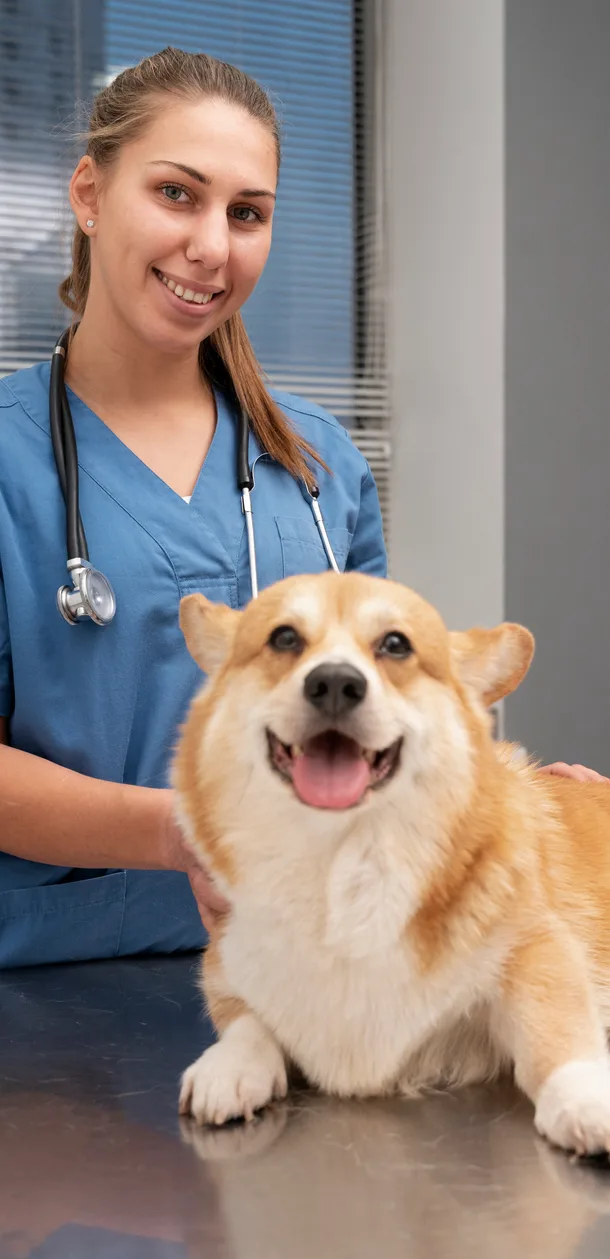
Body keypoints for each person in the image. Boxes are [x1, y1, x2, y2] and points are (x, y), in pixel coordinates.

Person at [0, 48, 603, 970]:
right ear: (89, 193)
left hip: (311, 974)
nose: (212, 246)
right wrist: (183, 832)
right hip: (48, 998)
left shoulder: (316, 464)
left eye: (247, 213)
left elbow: (378, 715)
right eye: (176, 194)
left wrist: (521, 798)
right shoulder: (11, 460)